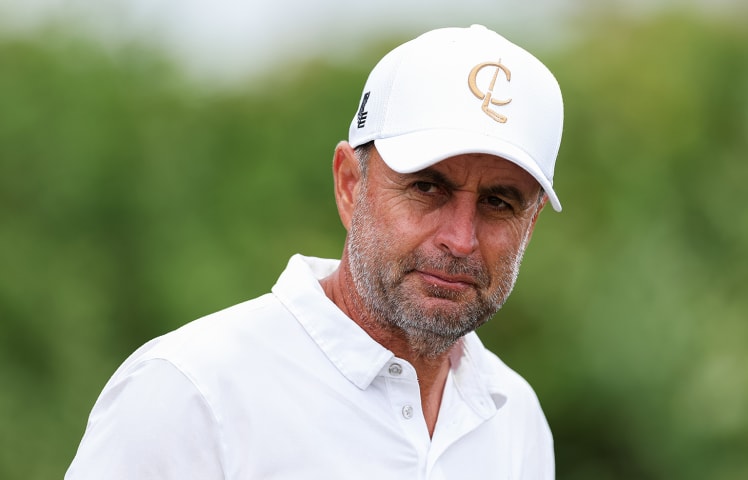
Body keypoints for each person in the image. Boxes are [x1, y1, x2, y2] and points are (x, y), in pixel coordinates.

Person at [66, 24, 564, 479]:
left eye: (499, 202)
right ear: (350, 185)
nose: (460, 239)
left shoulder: (514, 417)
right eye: (427, 188)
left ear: (530, 224)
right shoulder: (193, 394)